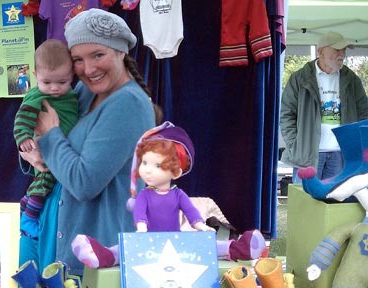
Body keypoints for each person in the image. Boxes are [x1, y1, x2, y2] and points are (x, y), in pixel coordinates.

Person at [18, 8, 161, 276]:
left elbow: (84, 183)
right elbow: (51, 135)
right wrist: (31, 152)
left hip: (97, 248)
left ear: (120, 51)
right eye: (78, 60)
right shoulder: (84, 90)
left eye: (98, 55)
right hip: (60, 233)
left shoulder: (128, 104)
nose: (89, 68)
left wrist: (50, 137)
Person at [71, 123, 267, 268]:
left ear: (176, 172)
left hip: (177, 240)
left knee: (205, 247)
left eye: (157, 165)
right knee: (125, 250)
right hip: (149, 241)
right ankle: (104, 255)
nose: (147, 170)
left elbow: (191, 213)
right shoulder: (144, 196)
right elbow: (140, 215)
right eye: (144, 163)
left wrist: (200, 225)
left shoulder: (178, 195)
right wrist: (141, 229)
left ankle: (238, 249)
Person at [280, 31, 368, 183]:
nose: (341, 54)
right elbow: (287, 114)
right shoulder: (299, 79)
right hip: (307, 156)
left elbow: (364, 114)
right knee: (306, 202)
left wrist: (357, 145)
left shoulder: (351, 80)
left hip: (341, 155)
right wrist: (296, 145)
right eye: (336, 50)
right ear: (320, 51)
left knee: (335, 202)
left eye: (343, 50)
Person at [14, 39, 78, 239]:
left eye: (62, 82)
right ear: (35, 76)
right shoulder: (36, 96)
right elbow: (22, 117)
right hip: (47, 150)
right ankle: (29, 219)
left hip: (63, 149)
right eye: (47, 82)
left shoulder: (74, 95)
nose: (54, 88)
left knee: (43, 184)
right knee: (45, 182)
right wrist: (23, 138)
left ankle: (26, 204)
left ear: (72, 75)